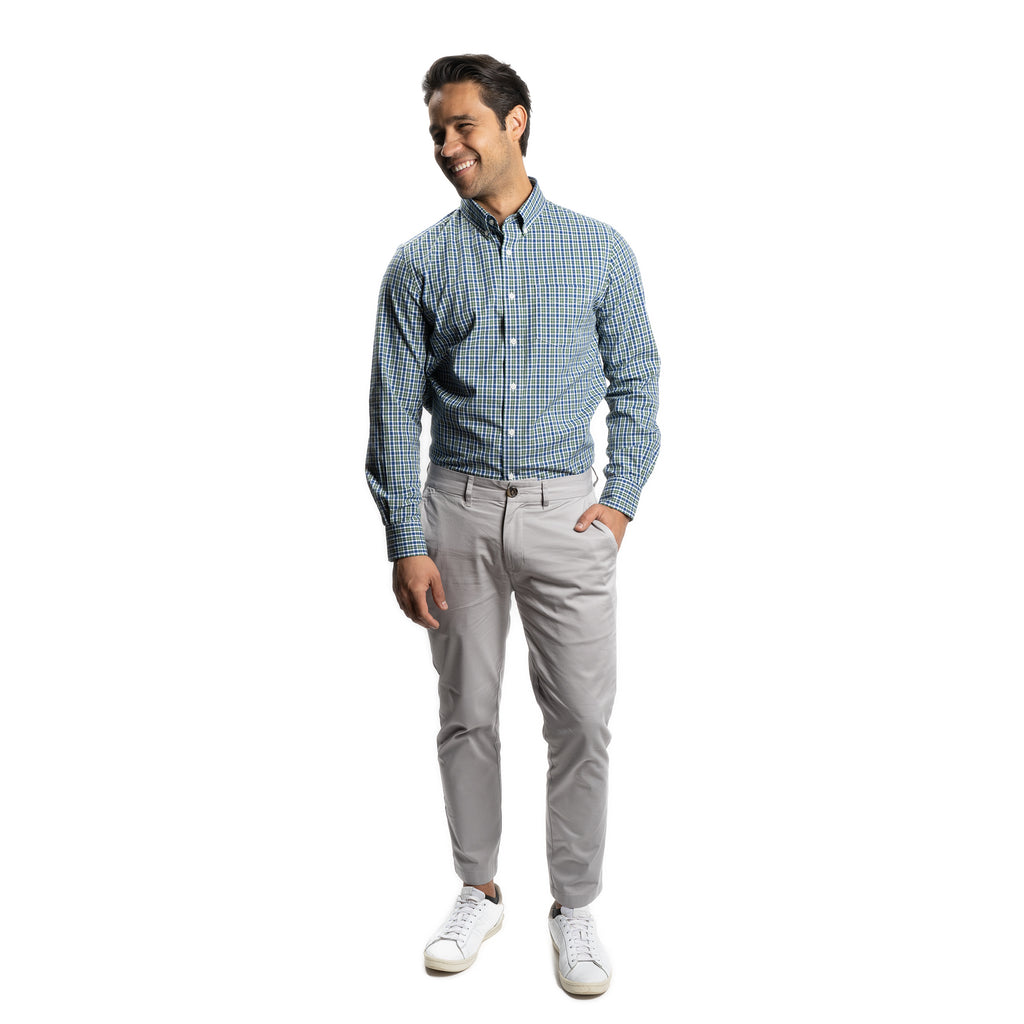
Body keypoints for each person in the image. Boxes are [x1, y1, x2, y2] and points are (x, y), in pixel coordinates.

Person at [365, 54, 660, 996]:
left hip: (566, 515)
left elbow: (638, 383)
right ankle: (478, 890)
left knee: (582, 721)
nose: (448, 146)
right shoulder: (419, 262)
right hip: (454, 513)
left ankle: (575, 907)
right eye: (437, 132)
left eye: (464, 126)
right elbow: (392, 411)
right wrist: (406, 540)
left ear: (515, 122)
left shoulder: (599, 249)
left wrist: (619, 504)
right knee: (466, 715)